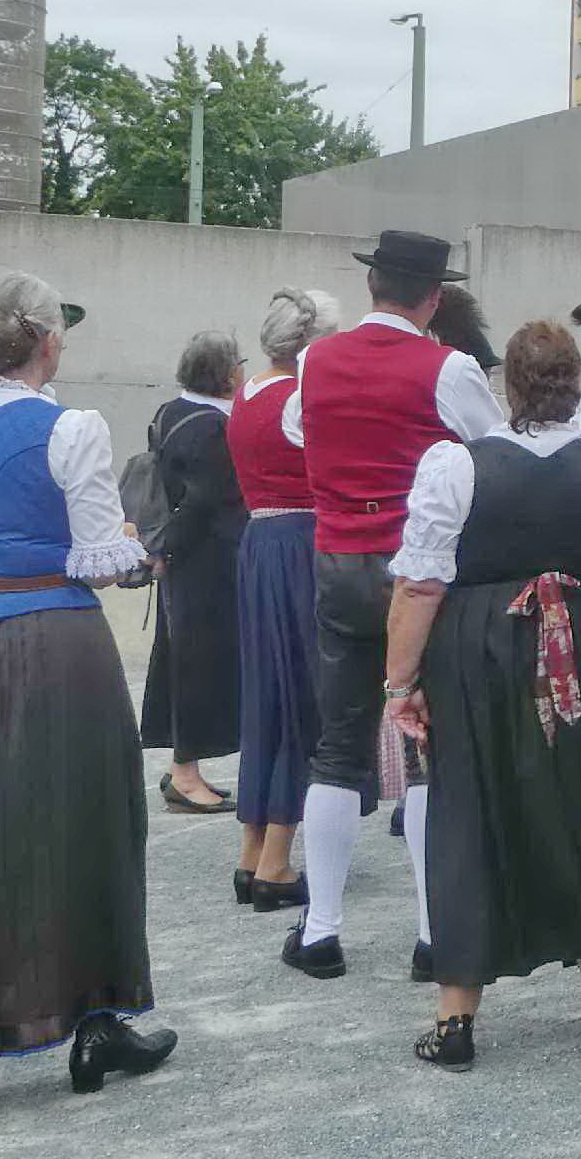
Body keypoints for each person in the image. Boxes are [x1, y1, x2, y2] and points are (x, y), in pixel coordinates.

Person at [0, 275, 173, 1137]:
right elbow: (97, 558)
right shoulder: (72, 428)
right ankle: (96, 1025)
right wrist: (133, 552)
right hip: (49, 642)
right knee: (85, 821)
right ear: (46, 341)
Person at [382, 321, 581, 1069]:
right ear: (579, 382)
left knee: (471, 811)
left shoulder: (456, 465)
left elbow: (420, 586)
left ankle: (456, 1020)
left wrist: (401, 683)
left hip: (479, 651)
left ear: (510, 388)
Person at [281, 228, 507, 980]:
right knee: (426, 752)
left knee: (337, 747)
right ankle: (433, 934)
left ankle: (321, 930)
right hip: (419, 568)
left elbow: (295, 428)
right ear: (434, 298)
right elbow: (492, 453)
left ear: (372, 285)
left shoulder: (316, 360)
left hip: (337, 560)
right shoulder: (449, 367)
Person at [227, 287, 336, 910]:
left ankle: (252, 851)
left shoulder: (246, 394)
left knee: (265, 694)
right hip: (301, 542)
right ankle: (276, 859)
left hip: (259, 542)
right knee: (300, 694)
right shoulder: (301, 397)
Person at [141, 331, 247, 819]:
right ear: (225, 374)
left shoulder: (171, 412)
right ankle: (185, 775)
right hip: (205, 561)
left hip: (183, 560)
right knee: (198, 666)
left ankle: (185, 770)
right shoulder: (214, 428)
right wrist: (168, 550)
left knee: (181, 659)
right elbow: (202, 502)